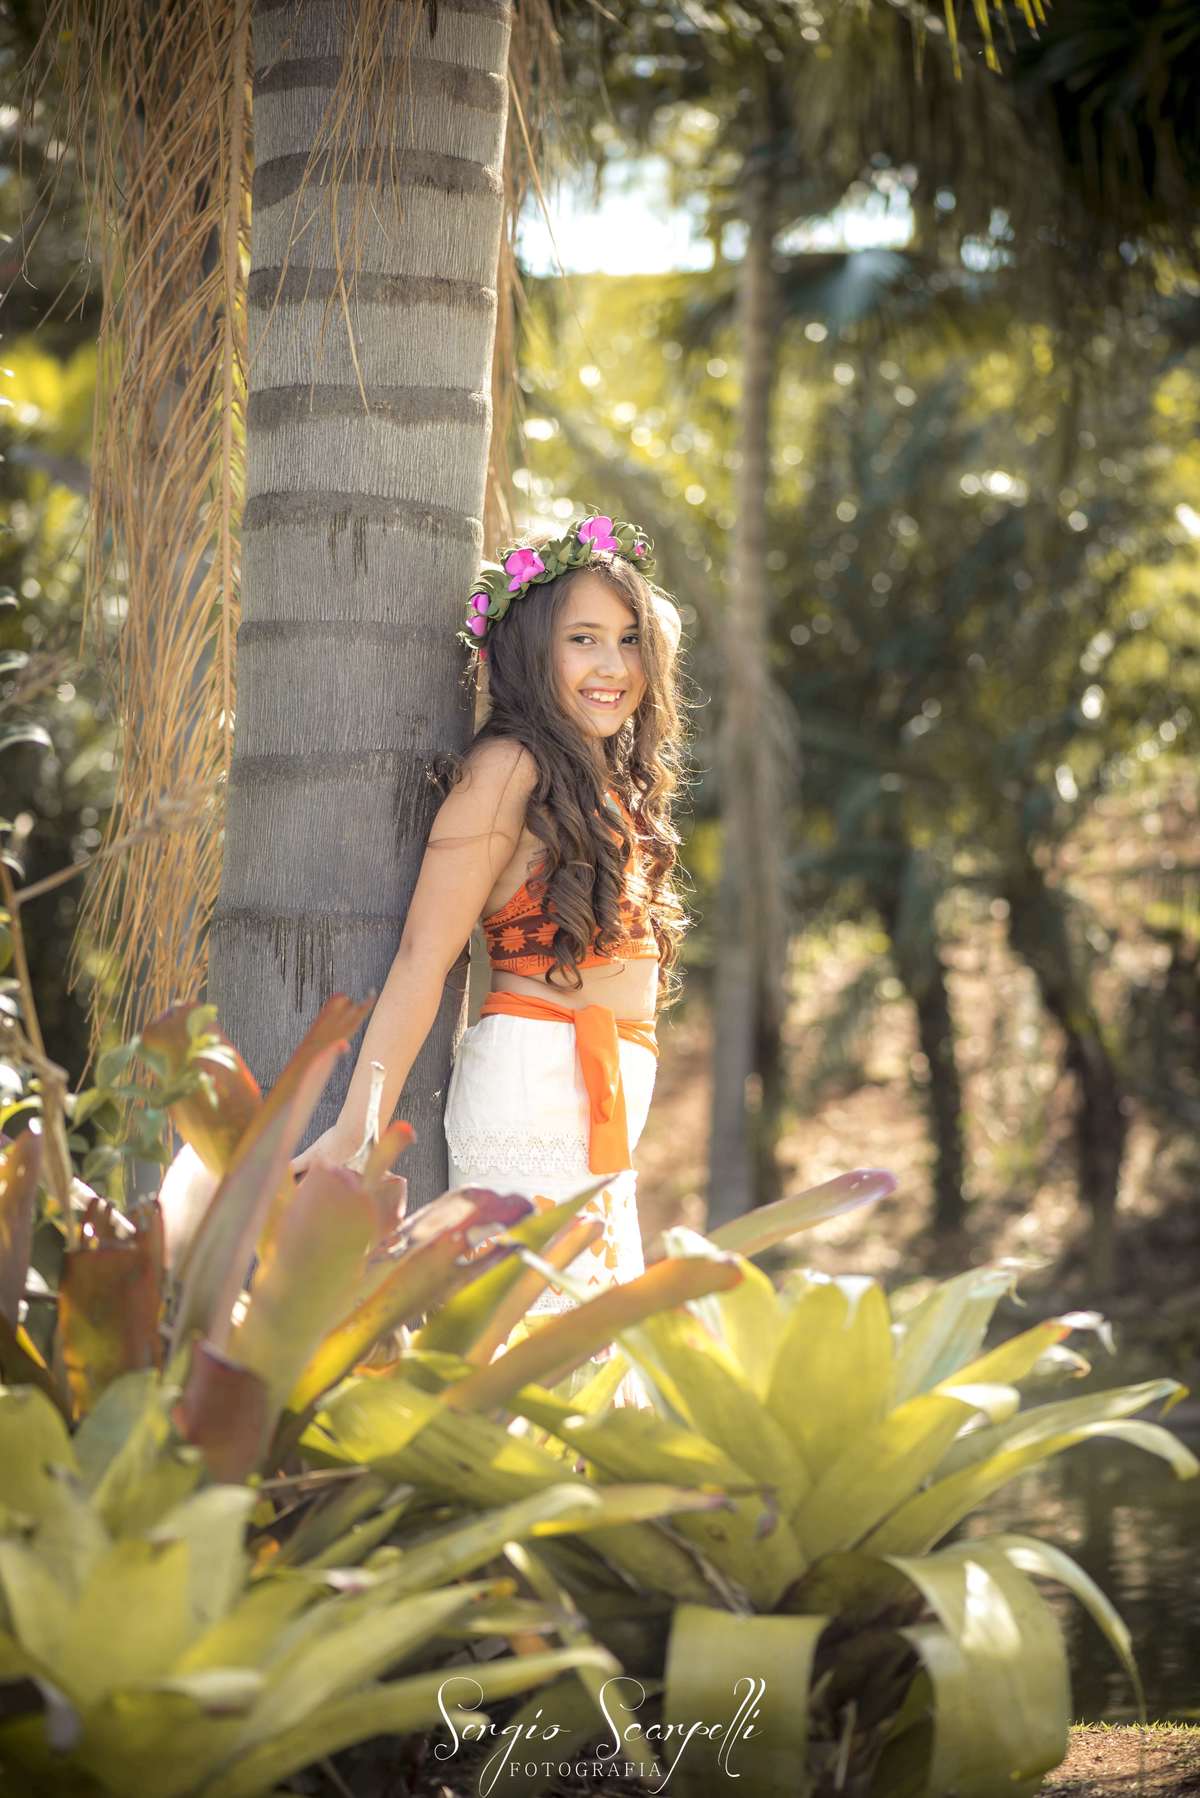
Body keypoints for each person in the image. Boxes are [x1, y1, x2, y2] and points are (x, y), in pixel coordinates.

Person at [290, 512, 688, 1373]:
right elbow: (423, 957)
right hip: (534, 1089)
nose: (614, 666)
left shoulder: (598, 778)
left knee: (585, 1359)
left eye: (629, 640)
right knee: (538, 1357)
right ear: (530, 651)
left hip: (597, 1094)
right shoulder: (509, 768)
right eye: (583, 639)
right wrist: (358, 1125)